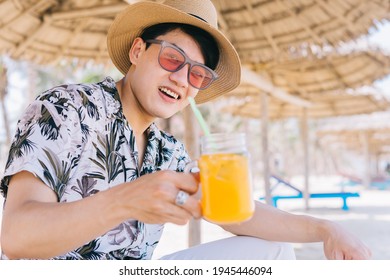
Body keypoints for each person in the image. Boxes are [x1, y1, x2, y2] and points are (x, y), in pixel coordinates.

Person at [0, 0, 371, 260]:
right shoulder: (67, 108)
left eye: (197, 74)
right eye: (172, 59)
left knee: (272, 252)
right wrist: (125, 199)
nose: (181, 79)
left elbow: (240, 213)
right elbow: (16, 236)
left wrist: (325, 229)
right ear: (137, 51)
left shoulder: (167, 152)